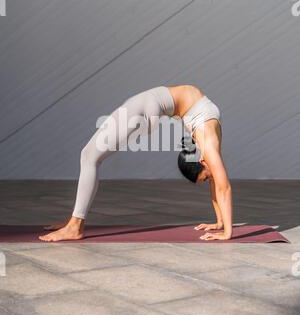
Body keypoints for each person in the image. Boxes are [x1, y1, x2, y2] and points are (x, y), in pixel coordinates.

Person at [39, 85, 232, 242]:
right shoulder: (208, 144)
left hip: (146, 106)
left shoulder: (207, 139)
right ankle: (74, 225)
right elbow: (223, 187)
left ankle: (75, 224)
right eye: (206, 177)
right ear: (200, 161)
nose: (211, 177)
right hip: (145, 108)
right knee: (89, 156)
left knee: (89, 156)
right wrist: (225, 231)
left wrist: (221, 223)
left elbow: (218, 182)